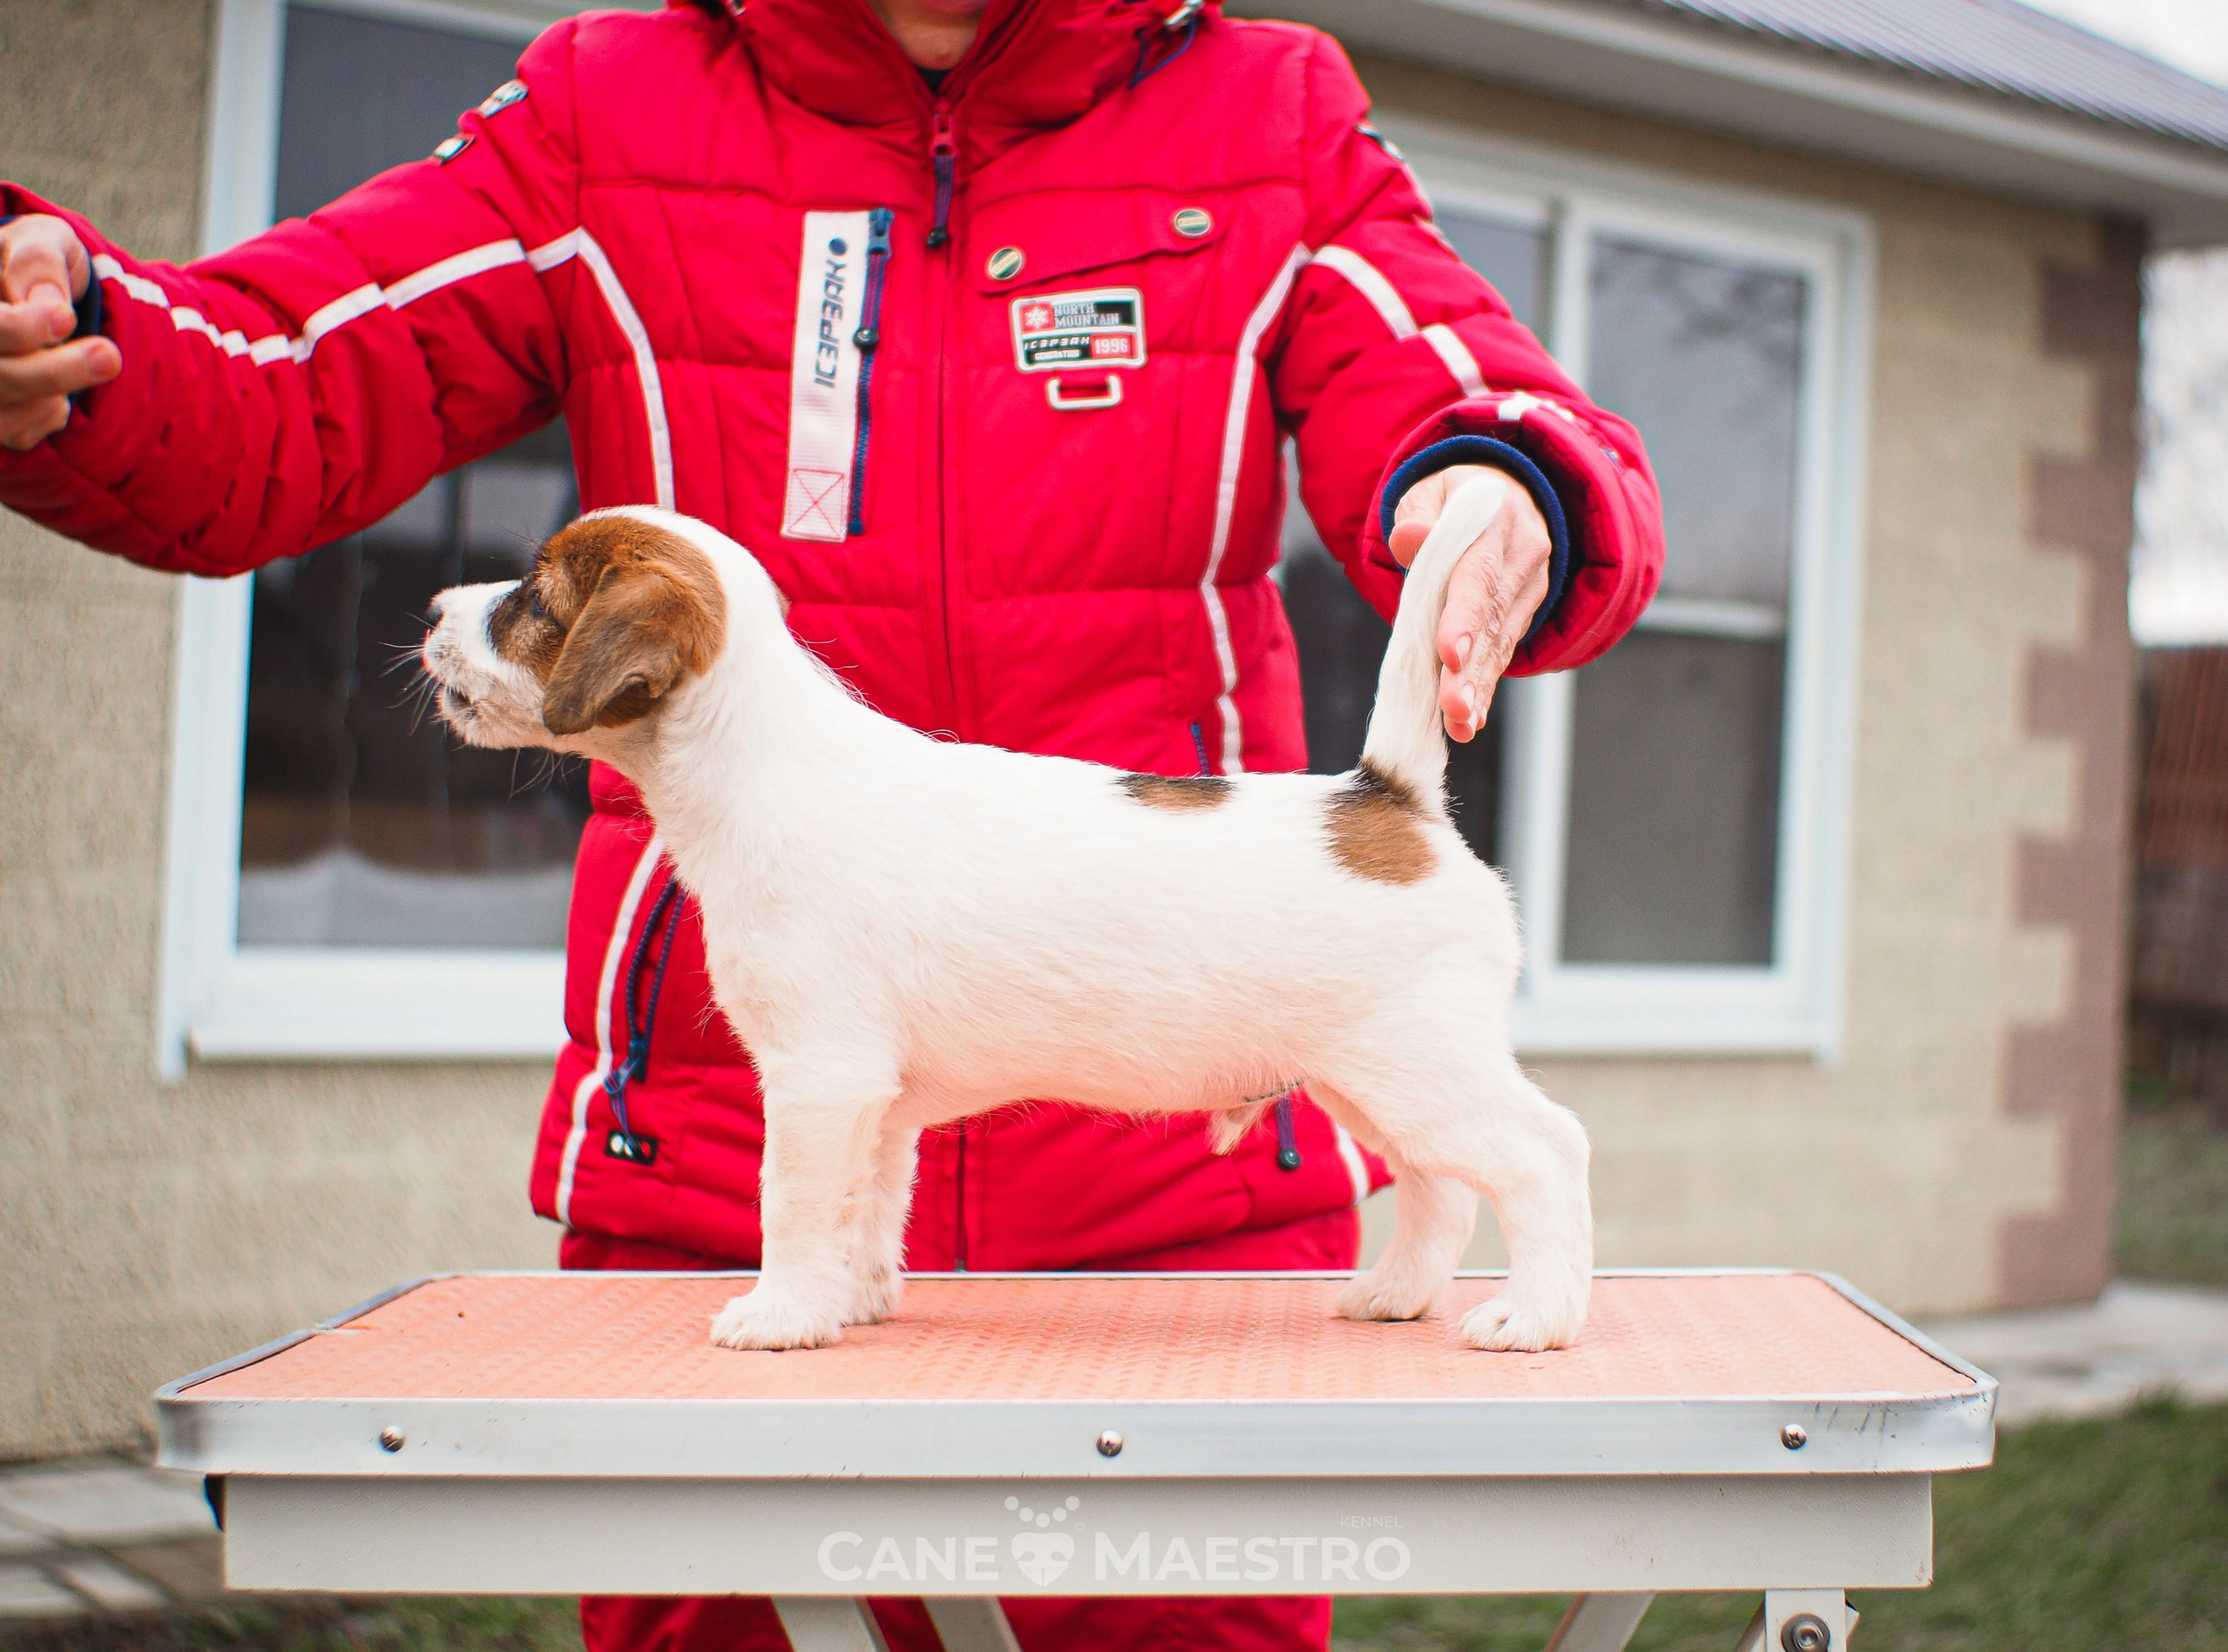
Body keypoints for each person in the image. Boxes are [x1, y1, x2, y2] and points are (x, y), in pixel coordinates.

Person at [0, 0, 1662, 1645]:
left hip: (1183, 1220)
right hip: (702, 1185)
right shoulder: (600, 103)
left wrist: (1510, 487)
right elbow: (282, 377)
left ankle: (1463, 1213)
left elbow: (1455, 375)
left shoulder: (1270, 108)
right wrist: (77, 333)